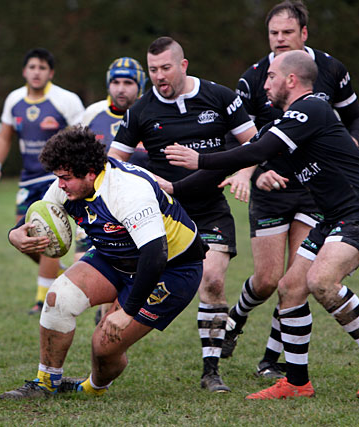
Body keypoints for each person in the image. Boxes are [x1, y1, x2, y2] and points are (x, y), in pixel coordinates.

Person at [163, 50, 359, 399]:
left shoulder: (313, 108)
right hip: (335, 215)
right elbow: (254, 157)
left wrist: (201, 158)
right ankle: (297, 382)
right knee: (290, 289)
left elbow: (255, 152)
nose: (265, 83)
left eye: (271, 76)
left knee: (321, 281)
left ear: (291, 80)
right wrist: (175, 188)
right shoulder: (288, 124)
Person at [220, 0, 359, 380]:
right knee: (268, 279)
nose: (280, 40)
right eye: (273, 33)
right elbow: (244, 139)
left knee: (297, 282)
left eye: (288, 32)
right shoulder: (255, 77)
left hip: (313, 188)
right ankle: (236, 318)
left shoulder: (330, 69)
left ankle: (274, 361)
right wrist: (255, 174)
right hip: (271, 186)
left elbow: (355, 118)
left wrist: (351, 143)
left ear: (304, 33)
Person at [0, 125, 206, 399]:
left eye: (66, 178)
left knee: (105, 346)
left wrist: (127, 311)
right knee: (57, 299)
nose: (60, 184)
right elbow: (38, 215)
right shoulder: (67, 184)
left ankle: (92, 388)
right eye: (57, 177)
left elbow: (155, 255)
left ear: (91, 173)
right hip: (114, 256)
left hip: (170, 268)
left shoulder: (127, 190)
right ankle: (46, 384)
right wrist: (14, 235)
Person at [108, 36, 257, 392]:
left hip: (209, 210)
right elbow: (112, 163)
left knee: (214, 281)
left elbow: (255, 143)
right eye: (153, 70)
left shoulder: (220, 97)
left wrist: (243, 172)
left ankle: (211, 371)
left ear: (183, 65)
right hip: (162, 215)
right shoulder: (141, 111)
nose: (159, 76)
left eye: (165, 68)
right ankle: (105, 359)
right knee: (121, 284)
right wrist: (138, 183)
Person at [0, 48, 84, 315]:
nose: (36, 72)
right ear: (24, 71)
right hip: (28, 178)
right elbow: (5, 136)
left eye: (42, 68)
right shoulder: (14, 99)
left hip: (56, 179)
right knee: (26, 234)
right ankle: (58, 271)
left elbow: (82, 137)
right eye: (32, 67)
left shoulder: (66, 100)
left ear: (50, 73)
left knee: (45, 232)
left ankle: (42, 300)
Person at [78, 56, 148, 322]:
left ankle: (110, 318)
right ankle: (104, 315)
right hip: (94, 211)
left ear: (139, 85)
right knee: (84, 272)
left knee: (130, 278)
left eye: (128, 82)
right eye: (116, 82)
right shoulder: (92, 114)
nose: (121, 88)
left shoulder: (151, 113)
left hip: (138, 212)